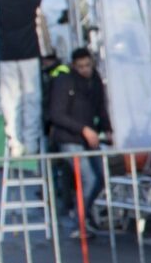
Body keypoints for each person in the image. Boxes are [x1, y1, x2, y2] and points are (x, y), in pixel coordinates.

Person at [0, 0, 50, 155]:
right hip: (28, 54)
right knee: (31, 99)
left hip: (7, 55)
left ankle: (14, 143)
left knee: (10, 100)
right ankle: (31, 142)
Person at [45, 47, 109, 234]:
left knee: (99, 178)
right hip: (69, 138)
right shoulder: (64, 82)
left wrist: (107, 128)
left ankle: (83, 213)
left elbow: (100, 106)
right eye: (80, 66)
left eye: (88, 65)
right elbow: (57, 114)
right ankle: (79, 221)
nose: (85, 70)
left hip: (88, 138)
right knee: (88, 178)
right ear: (74, 65)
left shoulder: (95, 81)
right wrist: (83, 129)